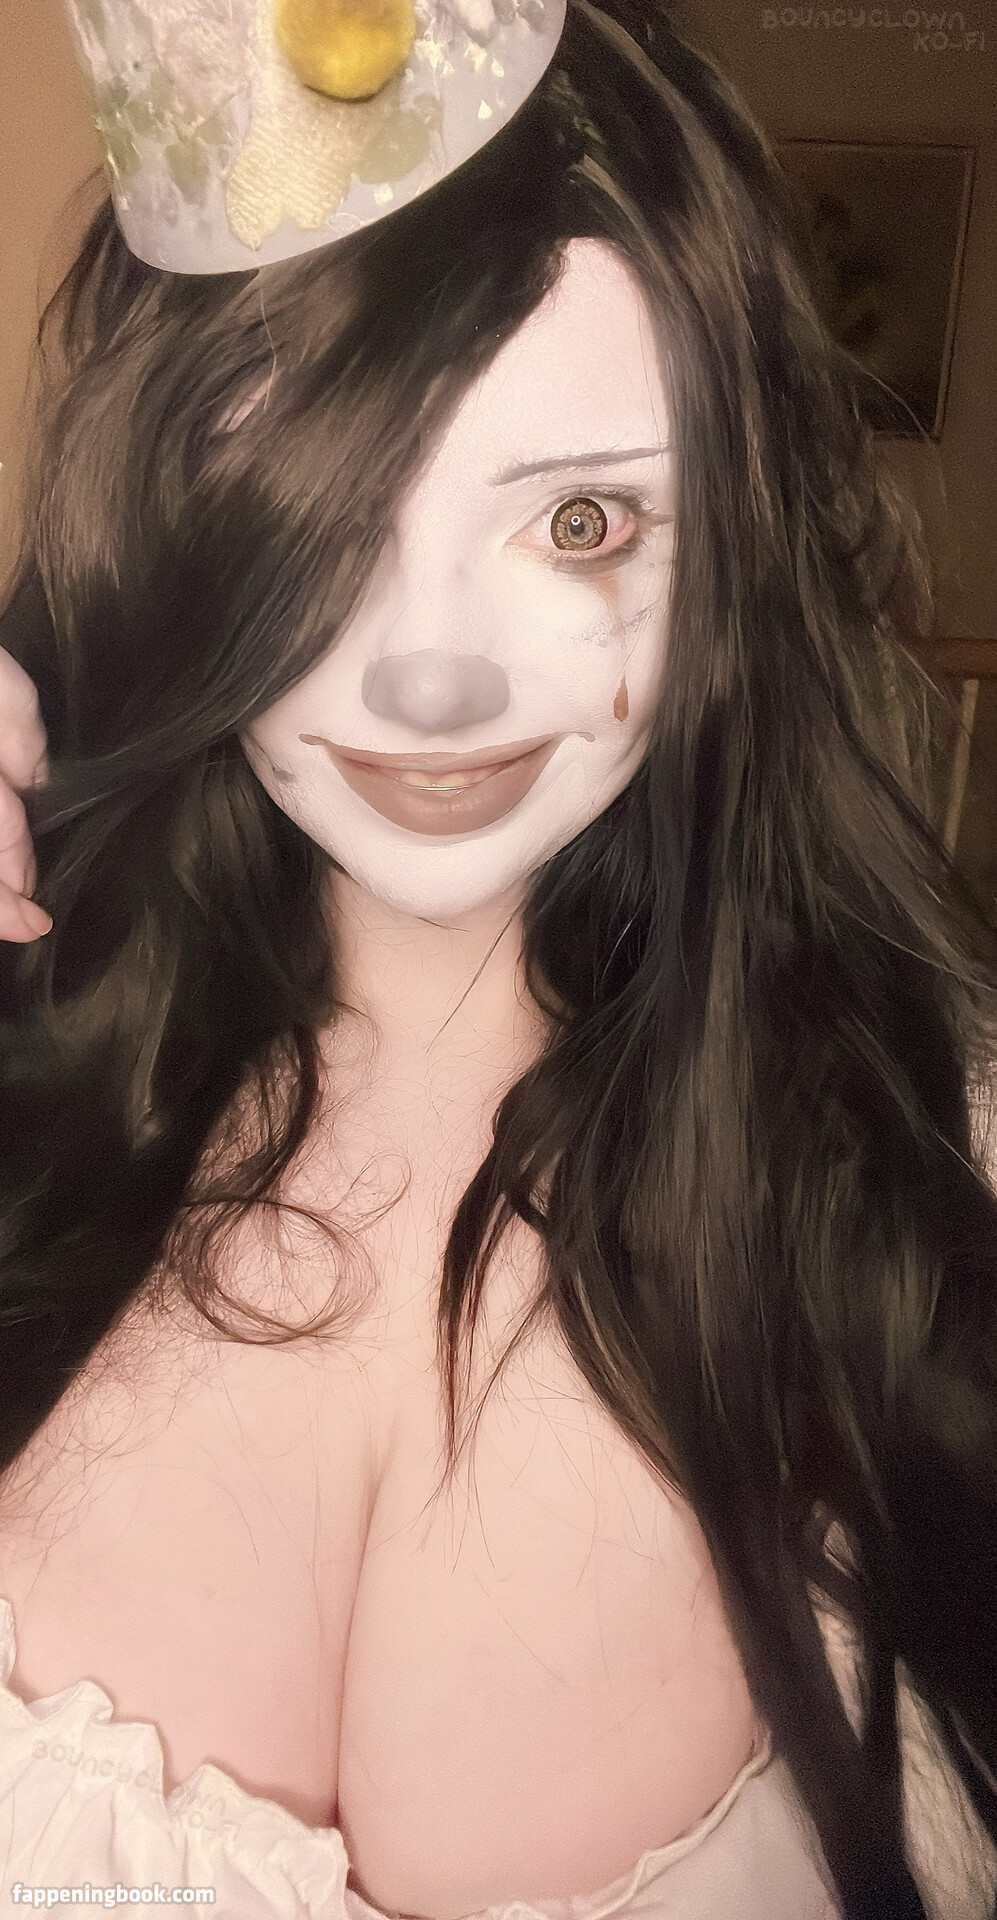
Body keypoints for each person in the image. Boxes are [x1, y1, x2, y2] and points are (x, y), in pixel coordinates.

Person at [0, 2, 996, 1916]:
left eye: (582, 519)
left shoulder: (933, 1158)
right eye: (329, 512)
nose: (433, 680)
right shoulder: (34, 1049)